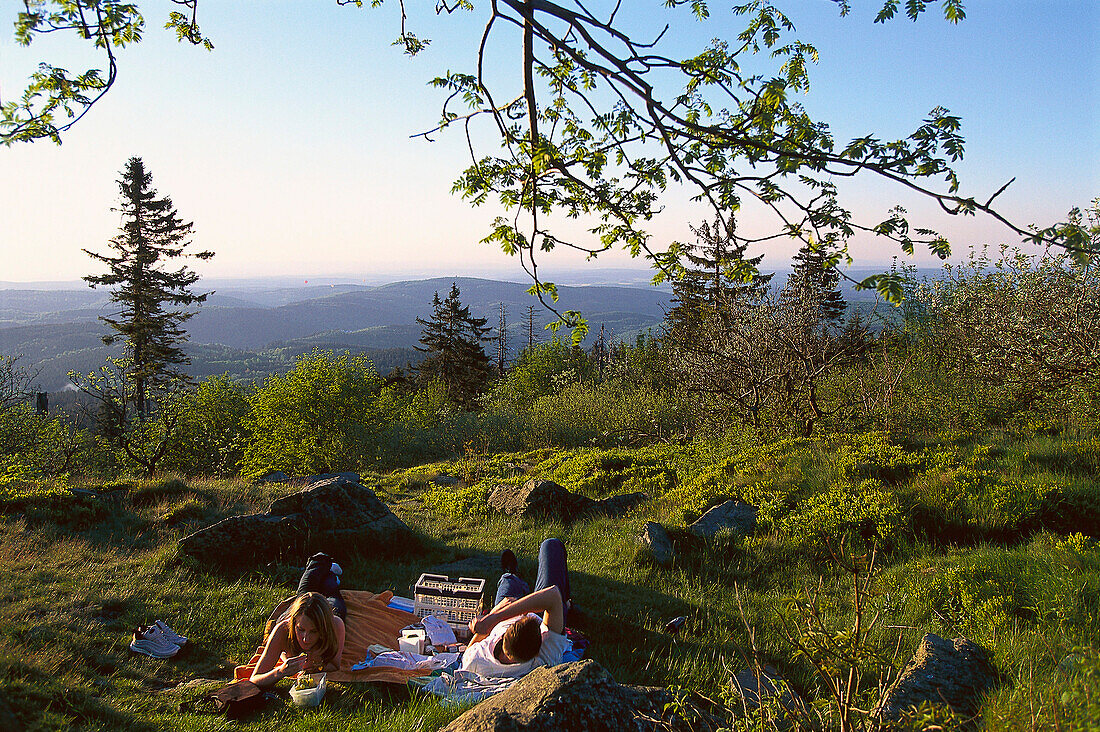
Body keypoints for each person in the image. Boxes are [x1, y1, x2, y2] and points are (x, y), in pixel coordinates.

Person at [460, 538, 572, 679]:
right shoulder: (544, 658)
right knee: (551, 545)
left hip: (502, 612)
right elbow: (553, 594)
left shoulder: (476, 662)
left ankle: (512, 574)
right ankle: (567, 602)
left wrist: (494, 614)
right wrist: (495, 617)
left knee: (507, 581)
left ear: (504, 635)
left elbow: (468, 652)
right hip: (541, 611)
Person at [249, 591, 346, 688]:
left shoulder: (335, 625)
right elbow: (254, 679)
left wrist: (316, 668)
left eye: (313, 631)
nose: (305, 638)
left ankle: (332, 577)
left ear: (323, 630)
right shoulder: (283, 630)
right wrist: (280, 671)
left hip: (328, 609)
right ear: (294, 624)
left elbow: (335, 665)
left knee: (333, 593)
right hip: (296, 608)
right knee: (307, 587)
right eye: (300, 629)